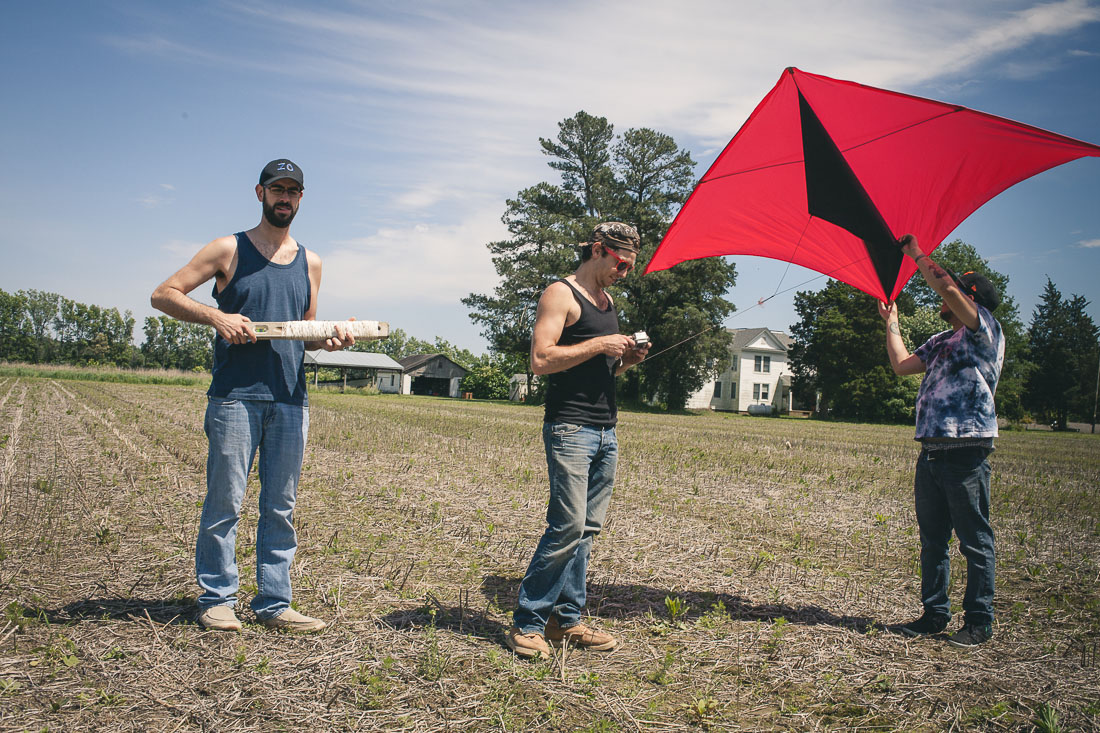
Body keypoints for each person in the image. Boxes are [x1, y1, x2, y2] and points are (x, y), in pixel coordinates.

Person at [151, 159, 354, 633]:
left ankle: (273, 601)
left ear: (301, 199)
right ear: (259, 192)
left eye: (293, 191)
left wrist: (330, 339)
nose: (285, 198)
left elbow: (303, 331)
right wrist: (216, 317)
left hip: (289, 398)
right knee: (226, 499)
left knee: (280, 505)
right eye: (277, 189)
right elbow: (164, 294)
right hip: (235, 397)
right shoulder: (229, 248)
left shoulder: (312, 262)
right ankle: (217, 597)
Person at [506, 222, 650, 658]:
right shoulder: (560, 294)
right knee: (566, 525)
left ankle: (565, 621)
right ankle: (527, 622)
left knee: (586, 530)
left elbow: (603, 369)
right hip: (570, 428)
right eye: (620, 263)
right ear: (599, 250)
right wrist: (600, 343)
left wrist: (627, 360)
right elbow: (540, 359)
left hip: (606, 429)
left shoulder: (607, 303)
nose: (624, 272)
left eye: (630, 267)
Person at [878, 234, 1005, 647]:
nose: (944, 294)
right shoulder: (940, 341)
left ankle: (979, 621)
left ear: (970, 300)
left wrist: (916, 254)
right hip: (931, 452)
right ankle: (934, 615)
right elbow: (900, 366)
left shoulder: (983, 330)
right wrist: (891, 322)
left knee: (974, 541)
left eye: (954, 291)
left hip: (966, 453)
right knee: (933, 541)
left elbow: (947, 285)